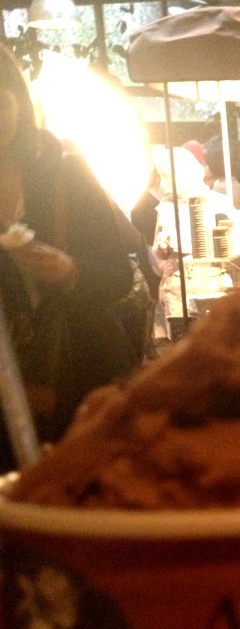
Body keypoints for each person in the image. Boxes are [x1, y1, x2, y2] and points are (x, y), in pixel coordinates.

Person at [0, 44, 137, 469]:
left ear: (18, 99)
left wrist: (69, 270)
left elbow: (119, 276)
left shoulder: (67, 173)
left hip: (83, 379)